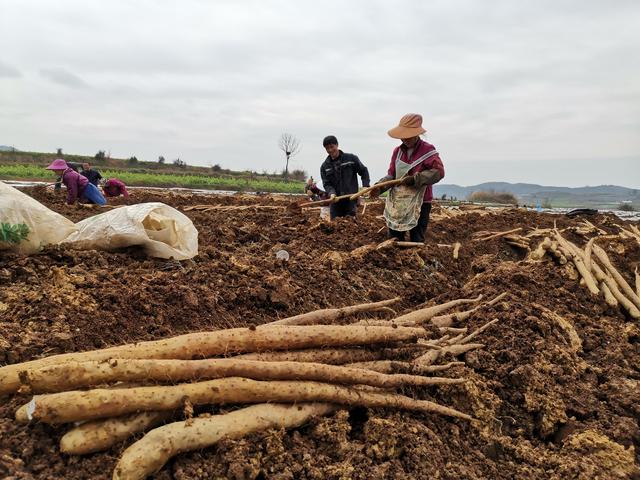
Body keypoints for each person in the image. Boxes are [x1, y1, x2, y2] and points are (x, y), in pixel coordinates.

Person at [370, 114, 444, 243]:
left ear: (416, 134)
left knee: (416, 239)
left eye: (408, 136)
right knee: (394, 238)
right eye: (403, 136)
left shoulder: (427, 150)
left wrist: (415, 179)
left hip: (420, 203)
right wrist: (379, 187)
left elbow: (438, 172)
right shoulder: (397, 152)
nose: (405, 139)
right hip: (399, 202)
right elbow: (391, 175)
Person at [320, 135, 370, 220]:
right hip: (335, 202)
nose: (330, 150)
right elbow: (327, 184)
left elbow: (364, 171)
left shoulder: (351, 159)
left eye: (332, 147)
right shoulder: (324, 166)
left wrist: (365, 186)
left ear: (337, 145)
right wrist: (332, 193)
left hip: (350, 199)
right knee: (335, 226)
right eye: (327, 148)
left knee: (350, 225)